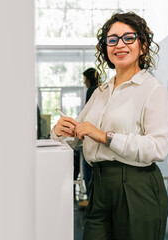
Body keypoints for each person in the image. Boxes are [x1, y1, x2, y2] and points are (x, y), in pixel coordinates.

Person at [51, 11, 168, 240]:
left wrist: (105, 136)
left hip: (137, 186)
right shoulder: (101, 91)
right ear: (106, 47)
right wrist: (61, 131)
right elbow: (80, 135)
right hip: (99, 185)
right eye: (112, 39)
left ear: (143, 46)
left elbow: (157, 148)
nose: (119, 45)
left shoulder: (153, 89)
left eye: (129, 38)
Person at [78, 67, 100, 207]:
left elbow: (88, 115)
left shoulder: (93, 91)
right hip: (97, 136)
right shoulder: (99, 89)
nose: (83, 81)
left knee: (88, 170)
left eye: (84, 78)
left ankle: (91, 201)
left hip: (93, 137)